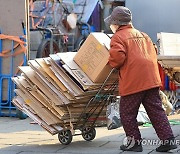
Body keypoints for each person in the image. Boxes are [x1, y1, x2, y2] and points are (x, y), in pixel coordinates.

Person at [104, 6, 177, 152]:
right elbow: (154, 51)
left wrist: (109, 61)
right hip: (151, 80)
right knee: (156, 111)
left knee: (127, 113)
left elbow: (118, 58)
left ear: (117, 23)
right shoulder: (143, 35)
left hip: (133, 82)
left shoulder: (118, 37)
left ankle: (134, 143)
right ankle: (168, 140)